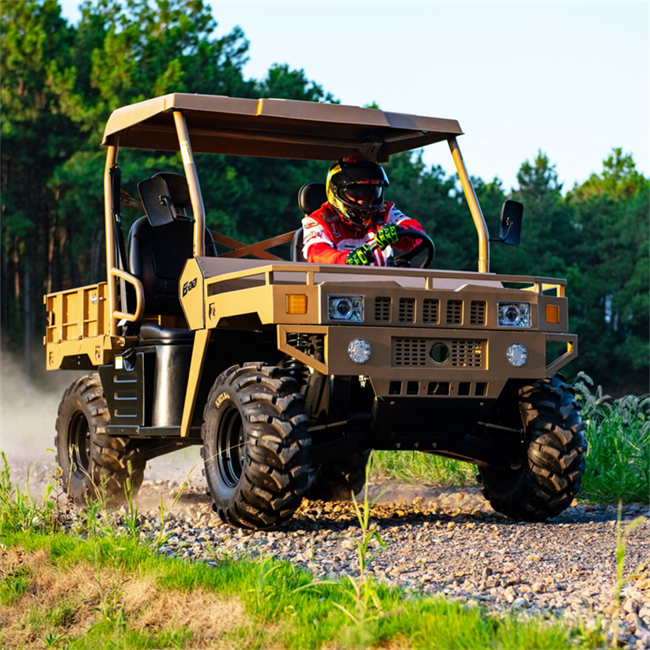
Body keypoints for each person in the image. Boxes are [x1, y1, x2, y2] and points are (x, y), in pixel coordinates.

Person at [302, 156, 427, 265]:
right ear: (336, 191)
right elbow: (316, 253)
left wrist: (399, 232)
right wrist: (346, 260)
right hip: (336, 288)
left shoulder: (385, 212)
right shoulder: (318, 219)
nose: (365, 200)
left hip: (385, 288)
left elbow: (416, 233)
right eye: (356, 192)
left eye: (371, 191)